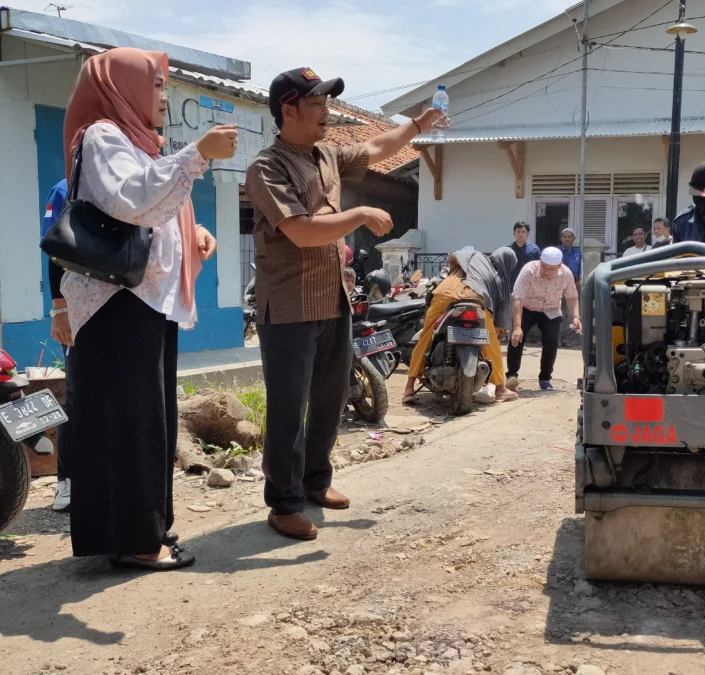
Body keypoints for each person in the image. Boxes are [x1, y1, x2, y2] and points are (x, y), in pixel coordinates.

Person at [244, 66, 444, 542]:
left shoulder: (327, 155)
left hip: (332, 299)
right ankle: (284, 503)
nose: (326, 112)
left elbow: (376, 148)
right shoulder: (267, 168)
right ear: (287, 110)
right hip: (289, 305)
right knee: (290, 406)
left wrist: (417, 125)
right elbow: (300, 230)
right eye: (316, 104)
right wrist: (358, 213)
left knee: (331, 398)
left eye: (326, 103)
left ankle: (316, 483)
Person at [62, 48, 236, 570]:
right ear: (122, 89)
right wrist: (196, 154)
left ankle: (145, 529)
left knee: (147, 421)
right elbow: (130, 200)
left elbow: (154, 211)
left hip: (143, 300)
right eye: (155, 86)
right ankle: (136, 540)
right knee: (130, 424)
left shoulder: (138, 141)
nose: (164, 98)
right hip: (118, 304)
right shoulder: (102, 136)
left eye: (164, 87)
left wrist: (193, 232)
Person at [403, 248, 519, 406]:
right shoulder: (497, 276)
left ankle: (409, 388)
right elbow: (501, 309)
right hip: (474, 296)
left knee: (425, 337)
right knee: (490, 340)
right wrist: (499, 329)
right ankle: (500, 389)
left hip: (445, 292)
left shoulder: (475, 257)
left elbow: (452, 256)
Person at [506, 247, 580, 391]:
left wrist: (576, 316)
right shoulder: (529, 270)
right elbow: (518, 298)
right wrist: (517, 326)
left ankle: (545, 378)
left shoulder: (566, 274)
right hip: (527, 307)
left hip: (551, 310)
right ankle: (512, 375)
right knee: (516, 339)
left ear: (559, 266)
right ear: (540, 262)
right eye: (544, 267)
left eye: (552, 269)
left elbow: (571, 296)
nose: (547, 271)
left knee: (551, 343)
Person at [41, 179, 73, 512]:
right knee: (77, 394)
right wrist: (60, 310)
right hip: (77, 308)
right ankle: (67, 480)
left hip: (120, 309)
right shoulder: (65, 187)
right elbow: (55, 251)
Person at [558, 227, 582, 348]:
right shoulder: (557, 252)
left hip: (573, 285)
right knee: (558, 313)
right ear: (561, 238)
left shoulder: (578, 252)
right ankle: (556, 338)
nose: (567, 238)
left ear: (574, 238)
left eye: (569, 236)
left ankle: (566, 339)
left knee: (572, 314)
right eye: (565, 236)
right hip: (558, 285)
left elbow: (581, 269)